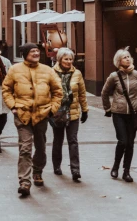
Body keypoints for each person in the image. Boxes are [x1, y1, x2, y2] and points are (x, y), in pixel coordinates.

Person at [2, 42, 63, 197]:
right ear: (25, 54)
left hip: (42, 114)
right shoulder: (14, 70)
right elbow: (6, 89)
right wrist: (13, 106)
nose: (36, 53)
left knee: (41, 147)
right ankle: (24, 182)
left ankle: (37, 171)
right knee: (25, 148)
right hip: (22, 115)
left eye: (37, 51)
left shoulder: (48, 70)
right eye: (33, 51)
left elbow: (58, 91)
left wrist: (52, 109)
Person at [101, 47, 137, 182]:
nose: (127, 58)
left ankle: (126, 171)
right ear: (118, 61)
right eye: (124, 57)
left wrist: (136, 105)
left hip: (133, 114)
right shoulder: (114, 76)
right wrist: (108, 108)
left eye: (128, 56)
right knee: (123, 141)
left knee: (130, 143)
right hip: (118, 113)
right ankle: (115, 167)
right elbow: (104, 93)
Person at [51, 47, 88, 182]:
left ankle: (75, 169)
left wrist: (85, 110)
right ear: (59, 59)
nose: (69, 61)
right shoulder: (52, 73)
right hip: (58, 112)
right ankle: (56, 165)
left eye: (71, 59)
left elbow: (82, 93)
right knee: (58, 140)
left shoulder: (77, 73)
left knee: (73, 141)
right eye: (66, 59)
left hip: (73, 113)